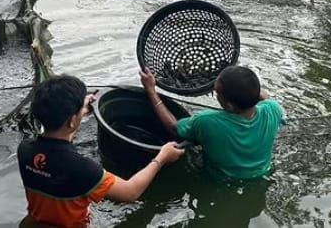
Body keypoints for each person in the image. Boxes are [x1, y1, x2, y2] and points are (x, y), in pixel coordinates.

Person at [17, 75, 185, 228]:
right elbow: (130, 192)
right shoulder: (82, 169)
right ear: (70, 121)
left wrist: (80, 111)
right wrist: (162, 157)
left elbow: (58, 141)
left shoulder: (24, 150)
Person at [140, 65, 283, 180]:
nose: (215, 95)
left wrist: (151, 91)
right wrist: (247, 91)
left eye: (217, 92)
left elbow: (173, 127)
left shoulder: (206, 121)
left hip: (222, 181)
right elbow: (264, 95)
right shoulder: (273, 109)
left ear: (230, 106)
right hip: (262, 174)